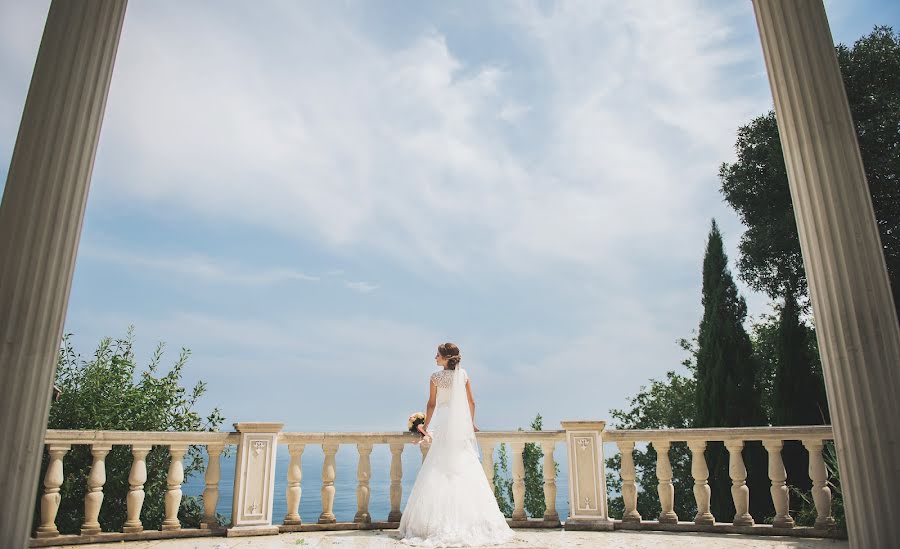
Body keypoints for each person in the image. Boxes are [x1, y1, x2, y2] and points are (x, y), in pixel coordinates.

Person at [398, 343, 515, 547]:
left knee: (439, 471)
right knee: (464, 471)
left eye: (438, 355)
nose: (435, 357)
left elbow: (432, 404)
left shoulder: (435, 377)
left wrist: (424, 426)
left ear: (445, 358)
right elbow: (472, 403)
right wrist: (470, 424)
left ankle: (432, 526)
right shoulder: (463, 375)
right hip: (459, 431)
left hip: (444, 428)